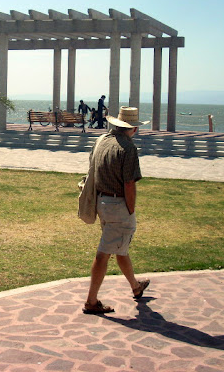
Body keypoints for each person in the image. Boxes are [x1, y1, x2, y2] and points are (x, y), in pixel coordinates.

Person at [83, 106, 150, 315]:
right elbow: (129, 183)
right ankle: (91, 301)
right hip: (118, 205)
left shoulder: (103, 140)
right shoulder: (128, 148)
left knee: (120, 247)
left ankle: (136, 287)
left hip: (101, 202)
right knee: (104, 253)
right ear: (134, 128)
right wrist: (130, 208)